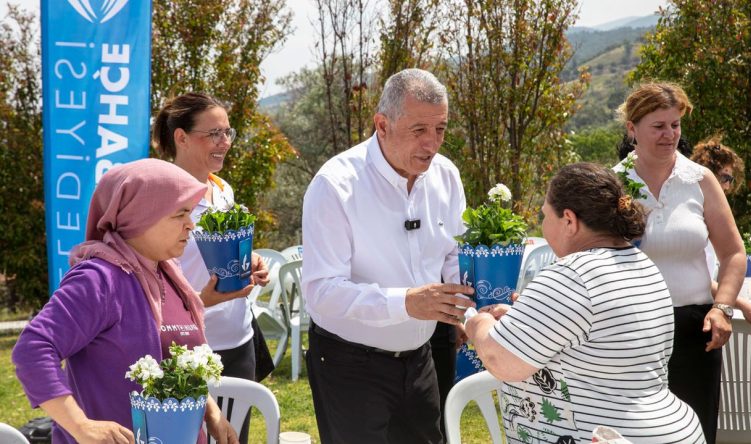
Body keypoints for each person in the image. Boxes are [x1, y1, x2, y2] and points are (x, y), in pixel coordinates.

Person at [466, 162, 704, 443]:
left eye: (545, 216)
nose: (543, 226)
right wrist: (519, 319)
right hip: (667, 429)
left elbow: (500, 360)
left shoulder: (573, 273)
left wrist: (478, 323)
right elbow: (593, 342)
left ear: (569, 220)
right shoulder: (642, 265)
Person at [301, 68, 475, 443]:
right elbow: (322, 292)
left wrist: (468, 307)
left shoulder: (446, 176)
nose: (432, 144)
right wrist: (407, 303)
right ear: (382, 124)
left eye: (440, 129)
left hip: (421, 358)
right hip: (349, 365)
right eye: (419, 131)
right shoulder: (335, 185)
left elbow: (452, 255)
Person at [12, 159, 237, 444]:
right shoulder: (98, 279)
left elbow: (179, 360)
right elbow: (33, 349)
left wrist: (210, 411)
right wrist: (81, 426)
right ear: (140, 216)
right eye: (179, 214)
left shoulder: (168, 272)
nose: (191, 225)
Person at [613, 82, 746, 443]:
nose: (669, 134)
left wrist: (723, 308)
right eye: (658, 126)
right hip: (630, 333)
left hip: (695, 330)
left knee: (695, 432)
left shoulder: (700, 180)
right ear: (632, 128)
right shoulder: (612, 185)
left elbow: (733, 253)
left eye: (675, 125)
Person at [152, 92, 272, 444]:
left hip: (240, 342)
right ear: (181, 137)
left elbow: (218, 257)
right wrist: (202, 300)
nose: (224, 143)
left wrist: (251, 263)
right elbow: (155, 283)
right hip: (187, 348)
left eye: (228, 133)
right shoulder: (161, 197)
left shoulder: (222, 190)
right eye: (214, 134)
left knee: (235, 438)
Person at [691, 137, 751, 333]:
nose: (727, 186)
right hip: (696, 315)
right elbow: (697, 279)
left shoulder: (708, 214)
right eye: (725, 177)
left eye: (731, 179)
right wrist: (743, 305)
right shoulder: (693, 220)